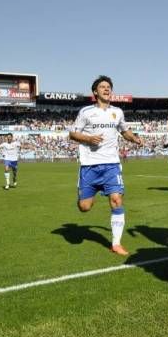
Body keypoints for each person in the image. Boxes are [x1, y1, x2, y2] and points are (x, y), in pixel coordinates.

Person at [69, 75, 143, 256]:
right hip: (89, 166)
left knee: (117, 200)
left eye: (109, 86)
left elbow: (124, 131)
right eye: (102, 87)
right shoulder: (86, 112)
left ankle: (116, 243)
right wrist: (88, 138)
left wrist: (133, 138)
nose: (107, 89)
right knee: (85, 207)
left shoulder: (117, 112)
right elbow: (72, 134)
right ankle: (87, 193)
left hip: (111, 165)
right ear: (95, 92)